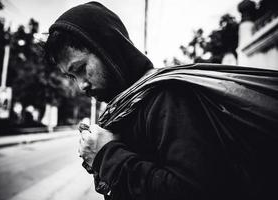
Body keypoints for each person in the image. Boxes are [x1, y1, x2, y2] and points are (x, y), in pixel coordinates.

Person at [45, 2, 278, 200]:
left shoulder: (167, 98)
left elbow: (194, 191)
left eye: (81, 68)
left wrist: (107, 156)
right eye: (72, 76)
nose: (81, 85)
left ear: (107, 49)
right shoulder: (128, 107)